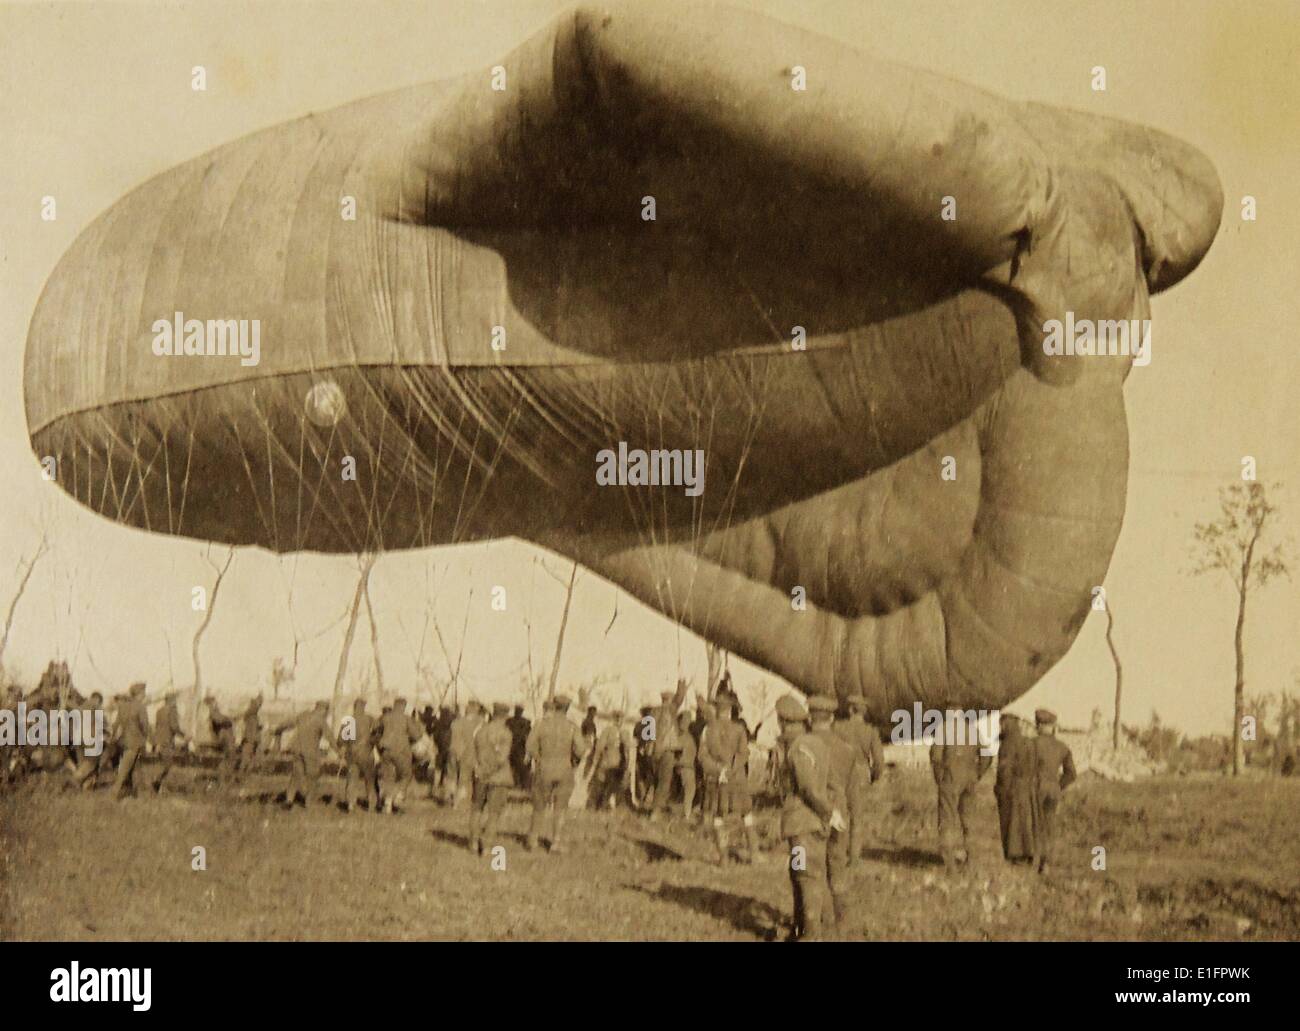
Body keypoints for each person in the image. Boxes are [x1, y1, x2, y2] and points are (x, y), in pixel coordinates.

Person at [775, 694, 842, 941]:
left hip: (803, 826)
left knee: (805, 877)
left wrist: (828, 812)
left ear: (784, 722)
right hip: (810, 825)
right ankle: (810, 928)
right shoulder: (817, 744)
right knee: (805, 873)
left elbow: (808, 788)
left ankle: (811, 935)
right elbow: (831, 784)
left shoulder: (799, 749)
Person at [810, 695, 860, 927]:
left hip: (811, 812)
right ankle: (843, 919)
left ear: (811, 718)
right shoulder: (847, 749)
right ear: (831, 718)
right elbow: (852, 790)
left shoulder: (802, 744)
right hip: (839, 812)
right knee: (837, 862)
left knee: (810, 867)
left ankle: (817, 919)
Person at [699, 691, 759, 863]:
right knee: (746, 814)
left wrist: (719, 771)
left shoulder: (707, 730)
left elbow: (702, 756)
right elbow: (744, 754)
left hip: (716, 780)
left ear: (716, 709)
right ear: (731, 710)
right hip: (737, 780)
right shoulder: (739, 729)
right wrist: (730, 770)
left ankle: (724, 858)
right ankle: (755, 855)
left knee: (718, 817)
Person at [525, 694, 587, 852]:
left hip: (544, 768)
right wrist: (574, 762)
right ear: (567, 708)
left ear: (554, 706)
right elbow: (581, 750)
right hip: (564, 770)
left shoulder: (541, 725)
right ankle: (556, 842)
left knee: (539, 806)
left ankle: (532, 839)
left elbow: (530, 746)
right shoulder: (572, 727)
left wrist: (539, 759)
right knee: (560, 808)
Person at [833, 694, 884, 868]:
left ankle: (837, 854)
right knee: (857, 818)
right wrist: (874, 776)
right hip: (861, 775)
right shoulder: (871, 731)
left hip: (840, 773)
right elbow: (879, 761)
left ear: (850, 710)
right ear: (864, 712)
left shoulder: (838, 728)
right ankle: (854, 858)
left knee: (839, 814)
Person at [929, 736, 991, 869]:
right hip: (969, 781)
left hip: (950, 781)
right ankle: (972, 861)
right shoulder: (973, 731)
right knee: (969, 821)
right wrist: (977, 773)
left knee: (947, 820)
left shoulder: (944, 730)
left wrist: (940, 779)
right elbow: (987, 755)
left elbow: (936, 758)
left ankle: (950, 865)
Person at [1032, 709, 1076, 873]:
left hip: (1035, 789)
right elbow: (1071, 774)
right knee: (1049, 826)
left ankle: (1031, 861)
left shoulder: (1031, 744)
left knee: (1033, 825)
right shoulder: (1062, 747)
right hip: (1053, 791)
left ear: (1040, 726)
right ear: (1052, 727)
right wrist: (1058, 786)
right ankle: (1046, 864)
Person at [469, 701, 514, 854]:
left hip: (480, 776)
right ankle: (487, 846)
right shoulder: (506, 733)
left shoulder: (480, 731)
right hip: (498, 778)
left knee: (476, 809)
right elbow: (501, 759)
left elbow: (473, 754)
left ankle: (473, 843)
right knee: (494, 813)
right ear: (506, 716)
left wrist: (480, 771)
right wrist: (487, 772)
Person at [994, 714, 1038, 865]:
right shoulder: (1028, 742)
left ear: (1006, 725)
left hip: (1011, 787)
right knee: (1026, 820)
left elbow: (1004, 770)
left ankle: (1015, 855)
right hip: (1027, 787)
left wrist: (1000, 788)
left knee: (1011, 821)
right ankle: (1029, 853)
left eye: (1002, 725)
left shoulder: (1007, 744)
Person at [276, 700, 331, 807]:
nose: (326, 714)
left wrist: (278, 729)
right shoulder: (321, 720)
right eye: (326, 711)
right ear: (323, 710)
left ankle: (289, 800)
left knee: (296, 774)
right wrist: (339, 750)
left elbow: (289, 723)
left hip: (296, 749)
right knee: (313, 775)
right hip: (310, 752)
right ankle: (308, 802)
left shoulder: (304, 715)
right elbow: (330, 737)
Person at [378, 697, 422, 813]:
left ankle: (387, 803)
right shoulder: (406, 718)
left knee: (389, 777)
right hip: (401, 751)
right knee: (406, 774)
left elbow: (377, 731)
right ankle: (398, 796)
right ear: (403, 706)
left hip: (385, 751)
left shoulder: (384, 717)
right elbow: (416, 736)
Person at [111, 682, 152, 800]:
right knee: (124, 770)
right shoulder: (140, 706)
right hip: (135, 742)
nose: (144, 695)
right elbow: (145, 726)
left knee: (135, 768)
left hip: (124, 742)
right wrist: (149, 739)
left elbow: (116, 724)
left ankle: (138, 794)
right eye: (143, 693)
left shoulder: (123, 706)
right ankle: (114, 793)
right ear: (140, 693)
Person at [339, 698, 378, 813]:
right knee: (370, 779)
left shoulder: (348, 720)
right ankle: (371, 804)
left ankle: (351, 804)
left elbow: (341, 741)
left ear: (354, 707)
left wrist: (343, 752)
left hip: (352, 754)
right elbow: (378, 733)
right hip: (366, 753)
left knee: (352, 779)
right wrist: (371, 742)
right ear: (364, 707)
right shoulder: (370, 719)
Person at [647, 688, 679, 819]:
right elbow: (680, 698)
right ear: (670, 700)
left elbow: (646, 734)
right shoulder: (670, 710)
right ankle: (655, 812)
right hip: (667, 750)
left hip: (654, 751)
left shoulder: (652, 712)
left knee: (656, 779)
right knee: (664, 781)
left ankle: (654, 806)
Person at [149, 691, 187, 793]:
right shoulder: (172, 710)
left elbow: (158, 726)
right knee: (167, 764)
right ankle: (156, 782)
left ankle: (158, 786)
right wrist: (185, 735)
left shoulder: (159, 710)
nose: (176, 702)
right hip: (167, 741)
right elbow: (174, 727)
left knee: (163, 763)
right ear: (172, 700)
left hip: (158, 740)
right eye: (175, 700)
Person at [590, 709, 627, 810]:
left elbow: (599, 746)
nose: (619, 720)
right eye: (618, 718)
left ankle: (601, 805)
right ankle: (608, 806)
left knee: (603, 785)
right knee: (613, 786)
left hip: (609, 762)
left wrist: (595, 759)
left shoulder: (608, 731)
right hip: (618, 764)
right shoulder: (624, 732)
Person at [672, 709, 698, 821]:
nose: (686, 722)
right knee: (689, 789)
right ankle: (686, 815)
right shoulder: (681, 736)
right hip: (685, 766)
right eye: (684, 720)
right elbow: (677, 752)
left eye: (688, 720)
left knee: (689, 790)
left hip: (688, 766)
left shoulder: (688, 736)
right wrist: (678, 765)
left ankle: (685, 813)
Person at [206, 695, 237, 782]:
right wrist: (229, 719)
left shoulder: (215, 710)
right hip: (224, 737)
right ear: (211, 703)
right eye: (214, 701)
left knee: (229, 758)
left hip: (225, 736)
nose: (216, 703)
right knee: (228, 757)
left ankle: (226, 778)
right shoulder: (212, 711)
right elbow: (218, 720)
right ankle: (224, 779)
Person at [236, 695, 262, 779]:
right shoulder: (252, 714)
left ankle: (243, 776)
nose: (259, 706)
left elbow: (254, 728)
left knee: (251, 760)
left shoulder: (252, 716)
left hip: (252, 740)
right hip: (250, 740)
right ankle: (240, 776)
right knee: (246, 759)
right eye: (258, 704)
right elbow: (252, 729)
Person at [506, 704, 532, 789]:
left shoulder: (509, 721)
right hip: (518, 748)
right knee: (520, 769)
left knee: (517, 768)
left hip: (514, 747)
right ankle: (522, 786)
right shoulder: (526, 722)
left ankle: (520, 785)